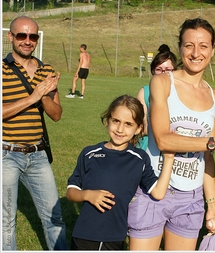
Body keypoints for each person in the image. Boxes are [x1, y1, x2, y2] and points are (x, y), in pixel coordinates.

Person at [127, 17, 215, 250]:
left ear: (213, 49)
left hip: (191, 199)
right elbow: (163, 139)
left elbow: (207, 158)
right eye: (189, 45)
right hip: (153, 189)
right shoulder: (162, 83)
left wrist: (213, 205)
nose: (196, 53)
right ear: (180, 48)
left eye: (204, 46)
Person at [66, 94, 174, 250]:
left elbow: (158, 192)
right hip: (83, 235)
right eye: (116, 121)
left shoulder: (139, 159)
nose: (120, 129)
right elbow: (71, 191)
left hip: (114, 237)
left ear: (138, 129)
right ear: (107, 121)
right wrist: (87, 195)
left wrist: (169, 158)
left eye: (128, 124)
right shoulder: (89, 153)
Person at [2, 16, 67, 250]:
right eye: (22, 35)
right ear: (11, 37)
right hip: (7, 155)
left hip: (38, 156)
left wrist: (45, 97)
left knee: (54, 217)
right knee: (6, 222)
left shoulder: (46, 70)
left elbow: (57, 114)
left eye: (33, 36)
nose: (27, 41)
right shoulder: (2, 69)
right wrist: (33, 97)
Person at [136, 44, 178, 150]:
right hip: (147, 148)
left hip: (175, 147)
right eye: (159, 69)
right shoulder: (144, 92)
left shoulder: (182, 93)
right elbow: (140, 128)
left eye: (168, 69)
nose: (163, 73)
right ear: (153, 71)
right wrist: (165, 131)